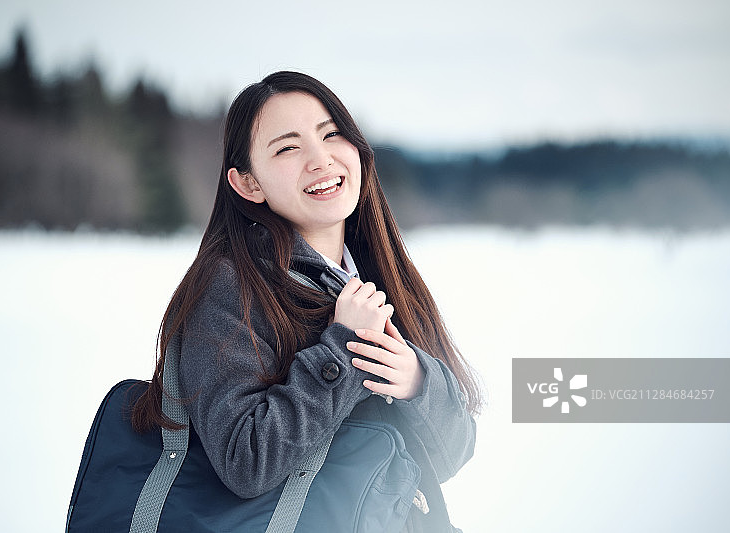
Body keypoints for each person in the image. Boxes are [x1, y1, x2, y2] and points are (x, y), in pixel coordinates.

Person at [132, 71, 481, 532]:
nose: (320, 159)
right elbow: (246, 461)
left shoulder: (380, 279)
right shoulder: (231, 287)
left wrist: (418, 381)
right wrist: (342, 351)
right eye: (287, 148)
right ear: (248, 184)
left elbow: (452, 456)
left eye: (331, 134)